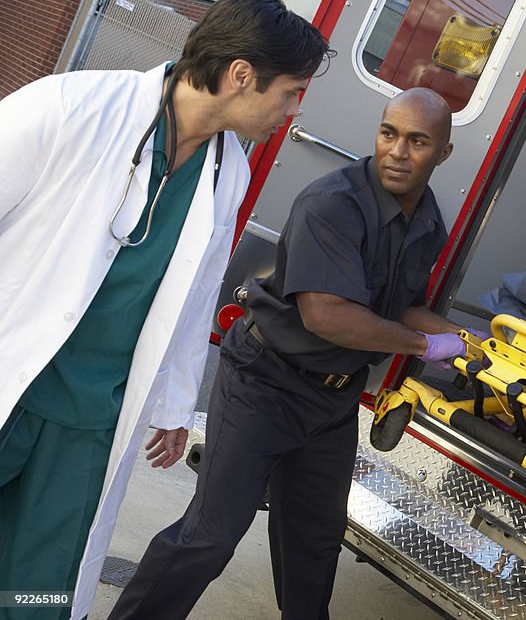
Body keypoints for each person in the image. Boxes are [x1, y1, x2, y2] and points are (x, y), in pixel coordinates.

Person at [0, 0, 329, 620]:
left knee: (36, 589)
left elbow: (195, 294)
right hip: (13, 375)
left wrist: (177, 404)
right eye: (290, 92)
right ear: (240, 76)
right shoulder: (74, 105)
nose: (291, 112)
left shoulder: (226, 170)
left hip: (91, 419)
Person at [109, 87, 468, 620]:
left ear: (443, 153)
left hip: (333, 401)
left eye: (417, 141)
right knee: (212, 534)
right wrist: (423, 345)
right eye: (389, 133)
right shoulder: (333, 203)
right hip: (266, 383)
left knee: (314, 542)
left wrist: (463, 344)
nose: (397, 151)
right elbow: (326, 313)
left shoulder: (428, 220)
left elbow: (401, 304)